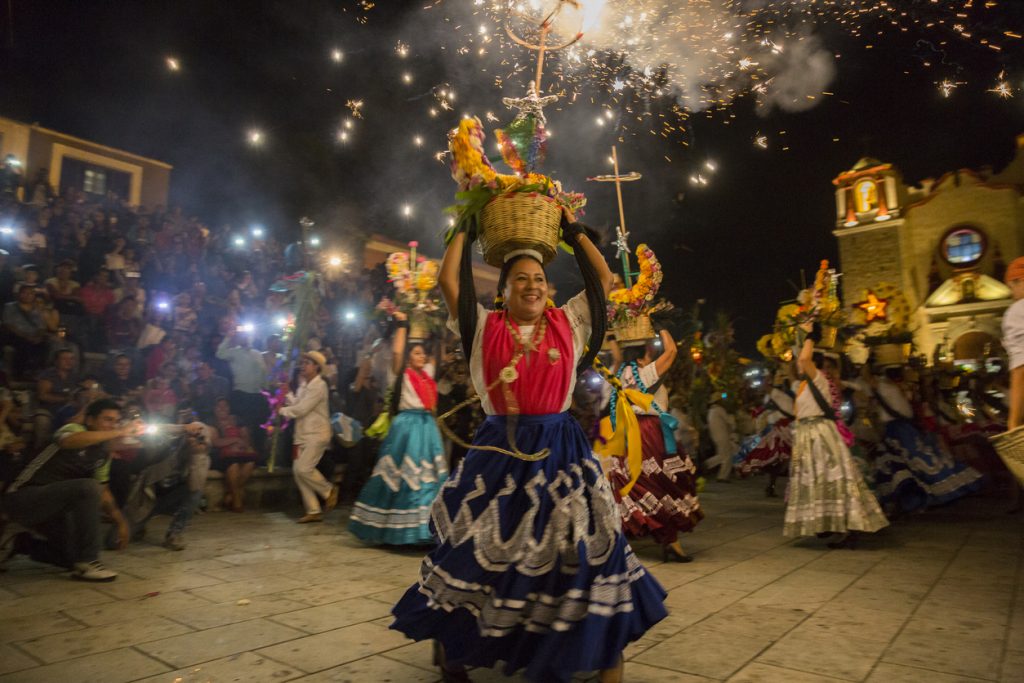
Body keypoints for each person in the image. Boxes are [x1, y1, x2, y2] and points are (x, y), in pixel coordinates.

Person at [391, 222, 667, 683]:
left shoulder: (569, 323)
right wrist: (463, 227)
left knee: (583, 551)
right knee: (474, 553)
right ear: (503, 290)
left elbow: (605, 282)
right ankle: (455, 650)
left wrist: (574, 234)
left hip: (562, 453)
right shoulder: (481, 327)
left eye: (539, 278)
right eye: (521, 278)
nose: (532, 285)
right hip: (498, 455)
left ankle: (600, 652)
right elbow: (448, 282)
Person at [1, 398, 143, 581]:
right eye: (107, 420)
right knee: (87, 486)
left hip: (53, 508)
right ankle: (89, 562)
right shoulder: (74, 430)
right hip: (22, 497)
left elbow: (103, 491)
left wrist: (120, 521)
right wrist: (122, 430)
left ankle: (23, 543)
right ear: (90, 420)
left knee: (71, 557)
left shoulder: (102, 454)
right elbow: (68, 442)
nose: (112, 425)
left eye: (116, 421)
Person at [603, 330, 703, 563]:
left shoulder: (619, 371)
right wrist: (663, 327)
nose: (653, 349)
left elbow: (617, 356)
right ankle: (670, 541)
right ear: (643, 353)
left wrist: (612, 338)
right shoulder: (646, 372)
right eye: (649, 346)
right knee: (663, 484)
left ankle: (624, 539)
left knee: (631, 483)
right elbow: (672, 351)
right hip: (649, 432)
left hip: (628, 433)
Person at [784, 325, 889, 547]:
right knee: (820, 481)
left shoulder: (818, 378)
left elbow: (803, 361)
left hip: (819, 434)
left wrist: (811, 337)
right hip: (809, 435)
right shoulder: (804, 384)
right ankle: (828, 523)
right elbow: (795, 366)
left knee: (832, 480)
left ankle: (848, 527)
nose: (798, 363)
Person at [349, 311, 447, 545]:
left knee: (428, 477)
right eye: (416, 352)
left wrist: (438, 322)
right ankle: (398, 529)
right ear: (407, 357)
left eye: (422, 352)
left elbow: (438, 355)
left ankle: (426, 530)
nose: (421, 355)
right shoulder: (401, 374)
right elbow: (396, 351)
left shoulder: (427, 375)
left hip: (426, 427)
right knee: (402, 476)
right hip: (407, 427)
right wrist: (403, 323)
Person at [867, 365, 983, 514]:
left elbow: (907, 410)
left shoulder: (895, 388)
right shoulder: (884, 386)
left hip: (905, 429)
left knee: (918, 461)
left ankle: (924, 498)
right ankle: (913, 500)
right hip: (897, 430)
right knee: (907, 462)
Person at [279, 350, 338, 523]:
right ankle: (313, 510)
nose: (303, 366)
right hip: (302, 434)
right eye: (303, 363)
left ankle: (328, 491)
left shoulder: (320, 385)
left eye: (307, 363)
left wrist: (281, 411)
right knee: (298, 472)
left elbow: (302, 409)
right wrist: (288, 393)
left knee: (304, 468)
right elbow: (297, 404)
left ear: (317, 367)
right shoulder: (304, 384)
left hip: (317, 433)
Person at [737, 365, 796, 497]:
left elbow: (789, 412)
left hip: (788, 429)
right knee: (775, 458)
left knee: (780, 459)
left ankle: (777, 486)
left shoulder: (781, 395)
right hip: (781, 430)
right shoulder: (773, 396)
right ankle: (773, 485)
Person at [211, 397, 259, 512]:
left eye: (225, 406)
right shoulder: (212, 422)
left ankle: (230, 494)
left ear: (229, 408)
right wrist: (235, 440)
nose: (222, 408)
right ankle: (237, 501)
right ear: (214, 409)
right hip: (220, 454)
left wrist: (240, 444)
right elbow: (216, 442)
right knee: (233, 465)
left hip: (239, 452)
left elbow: (246, 439)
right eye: (219, 406)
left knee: (250, 462)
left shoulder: (237, 420)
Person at [706, 392, 739, 482]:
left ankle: (708, 464)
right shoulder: (719, 410)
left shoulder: (711, 411)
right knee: (727, 456)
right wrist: (732, 417)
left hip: (716, 436)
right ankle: (722, 476)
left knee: (722, 455)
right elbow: (730, 422)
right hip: (722, 436)